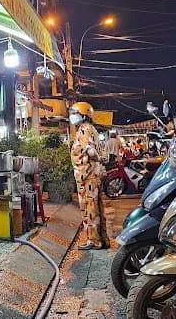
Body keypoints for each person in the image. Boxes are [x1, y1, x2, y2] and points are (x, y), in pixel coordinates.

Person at [69, 102, 108, 250]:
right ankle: (99, 239)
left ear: (84, 115)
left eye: (75, 114)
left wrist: (96, 158)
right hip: (93, 174)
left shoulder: (84, 130)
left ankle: (94, 241)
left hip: (87, 175)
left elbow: (90, 151)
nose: (72, 117)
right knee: (96, 206)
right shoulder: (92, 129)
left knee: (89, 207)